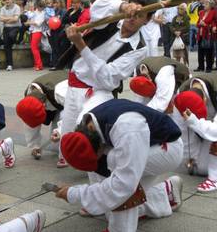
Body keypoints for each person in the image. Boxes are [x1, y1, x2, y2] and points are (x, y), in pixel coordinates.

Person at [56, 99, 184, 231]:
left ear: (99, 147)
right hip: (145, 144)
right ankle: (166, 193)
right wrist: (98, 202)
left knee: (115, 165)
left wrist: (78, 195)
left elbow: (123, 185)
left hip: (169, 147)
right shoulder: (88, 125)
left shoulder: (127, 128)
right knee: (111, 205)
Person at [55, 0, 149, 165]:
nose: (133, 17)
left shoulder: (140, 48)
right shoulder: (110, 20)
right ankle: (63, 131)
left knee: (88, 132)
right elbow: (99, 6)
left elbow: (108, 77)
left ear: (146, 21)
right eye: (132, 11)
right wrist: (122, 6)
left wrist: (81, 45)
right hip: (75, 83)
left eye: (140, 15)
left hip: (99, 91)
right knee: (67, 142)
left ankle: (101, 164)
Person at [16, 70, 67, 163]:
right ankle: (35, 146)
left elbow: (72, 113)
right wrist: (34, 145)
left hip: (68, 102)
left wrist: (60, 130)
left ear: (44, 106)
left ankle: (67, 155)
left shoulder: (61, 92)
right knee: (30, 115)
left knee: (60, 139)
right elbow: (30, 122)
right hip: (53, 100)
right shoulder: (29, 92)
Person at [0, 0, 21, 71]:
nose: (7, 1)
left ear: (12, 0)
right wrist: (10, 18)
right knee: (7, 46)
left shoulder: (17, 7)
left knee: (11, 36)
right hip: (6, 28)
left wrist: (6, 19)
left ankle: (16, 41)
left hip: (15, 27)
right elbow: (1, 19)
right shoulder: (3, 8)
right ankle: (9, 65)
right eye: (6, 0)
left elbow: (16, 19)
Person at [195, 0, 217, 73]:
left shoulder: (213, 13)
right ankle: (200, 66)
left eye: (206, 4)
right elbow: (197, 24)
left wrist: (205, 25)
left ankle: (209, 67)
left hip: (208, 34)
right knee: (200, 51)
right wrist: (200, 24)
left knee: (209, 51)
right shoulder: (201, 13)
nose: (204, 5)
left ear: (210, 6)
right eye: (204, 4)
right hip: (200, 34)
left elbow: (213, 24)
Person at [27, 1, 46, 71]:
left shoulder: (43, 13)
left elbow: (38, 23)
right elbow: (30, 18)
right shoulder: (35, 12)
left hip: (38, 31)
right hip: (33, 31)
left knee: (34, 48)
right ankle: (36, 64)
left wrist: (29, 22)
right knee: (34, 48)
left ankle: (39, 65)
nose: (39, 8)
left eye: (41, 7)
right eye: (38, 7)